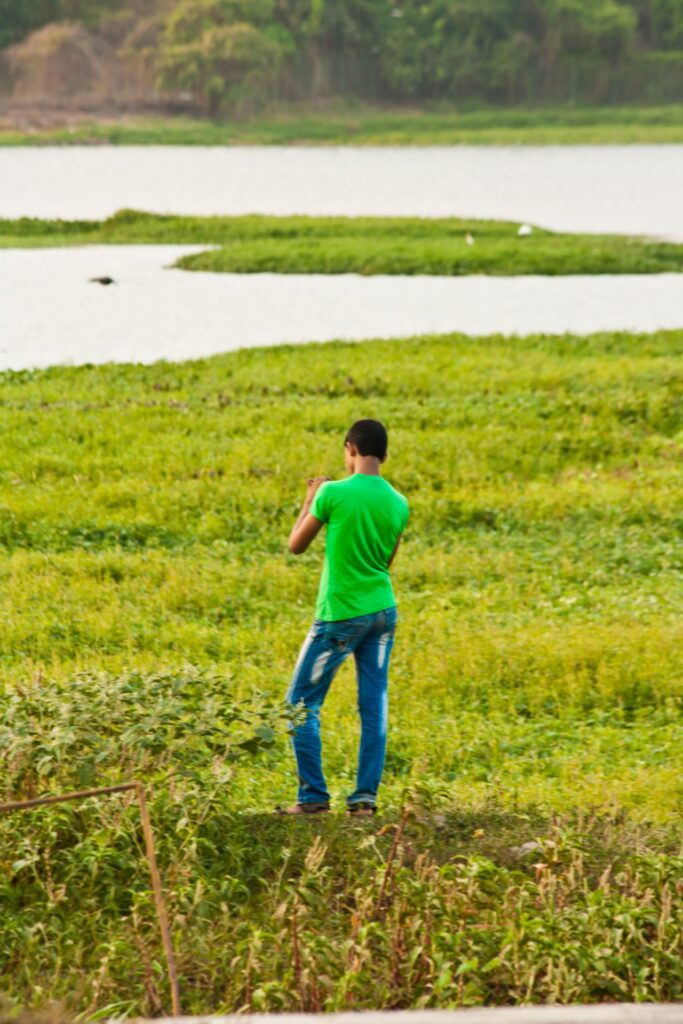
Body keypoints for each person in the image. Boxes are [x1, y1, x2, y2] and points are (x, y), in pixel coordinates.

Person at [276, 419, 409, 817]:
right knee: (373, 705)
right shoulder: (399, 502)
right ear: (383, 455)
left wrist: (310, 498)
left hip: (339, 615)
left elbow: (296, 545)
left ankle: (313, 797)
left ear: (350, 449)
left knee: (299, 704)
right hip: (383, 613)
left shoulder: (332, 493)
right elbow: (386, 562)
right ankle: (364, 801)